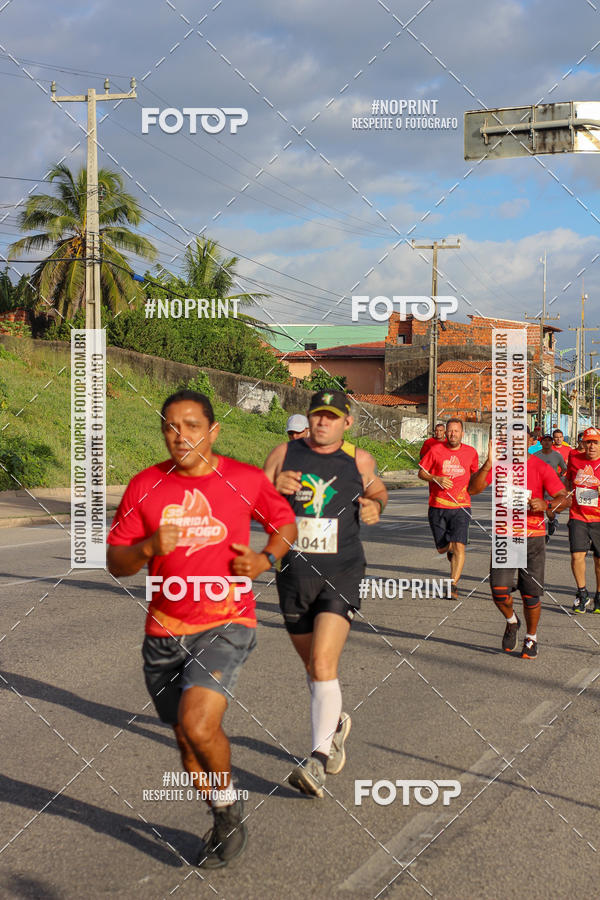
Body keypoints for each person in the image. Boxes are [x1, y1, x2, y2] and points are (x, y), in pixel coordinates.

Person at [106, 390, 297, 868]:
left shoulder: (244, 479)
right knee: (187, 743)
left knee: (198, 722)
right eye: (171, 426)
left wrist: (265, 558)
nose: (180, 435)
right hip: (163, 632)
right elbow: (116, 562)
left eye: (192, 425)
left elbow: (285, 520)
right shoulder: (144, 486)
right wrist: (149, 545)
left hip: (227, 620)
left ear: (213, 431)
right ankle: (225, 809)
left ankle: (227, 809)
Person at [263, 389, 388, 798]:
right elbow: (251, 505)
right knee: (315, 672)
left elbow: (379, 492)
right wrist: (272, 491)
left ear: (347, 422)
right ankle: (335, 723)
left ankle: (315, 760)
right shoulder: (283, 454)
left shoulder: (358, 460)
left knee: (321, 662)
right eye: (318, 415)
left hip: (342, 573)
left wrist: (375, 507)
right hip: (293, 574)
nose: (323, 422)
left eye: (332, 417)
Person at [469, 430, 568, 658]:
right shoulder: (500, 465)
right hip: (505, 537)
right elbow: (473, 489)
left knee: (530, 594)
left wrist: (546, 504)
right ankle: (512, 621)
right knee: (498, 591)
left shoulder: (541, 467)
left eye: (521, 440)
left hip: (533, 537)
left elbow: (565, 498)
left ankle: (531, 637)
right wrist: (488, 463)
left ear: (530, 442)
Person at [418, 418, 479, 599]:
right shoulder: (435, 450)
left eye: (456, 431)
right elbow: (421, 472)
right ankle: (448, 547)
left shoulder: (471, 452)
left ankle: (453, 584)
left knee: (460, 545)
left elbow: (474, 475)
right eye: (450, 431)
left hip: (462, 506)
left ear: (462, 433)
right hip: (437, 505)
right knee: (442, 549)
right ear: (445, 433)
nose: (452, 434)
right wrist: (436, 478)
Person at [565, 426, 600, 613]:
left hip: (599, 517)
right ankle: (582, 592)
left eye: (595, 442)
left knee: (598, 560)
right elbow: (569, 481)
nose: (591, 446)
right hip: (578, 515)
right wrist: (566, 494)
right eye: (588, 442)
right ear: (583, 444)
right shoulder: (574, 458)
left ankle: (599, 596)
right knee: (577, 555)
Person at [534, 435, 567, 541]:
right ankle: (542, 536)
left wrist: (559, 475)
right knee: (536, 511)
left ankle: (552, 521)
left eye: (549, 441)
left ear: (552, 443)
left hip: (551, 488)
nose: (547, 443)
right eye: (545, 441)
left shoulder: (557, 456)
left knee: (549, 512)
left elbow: (564, 468)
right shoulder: (535, 455)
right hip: (538, 487)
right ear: (541, 443)